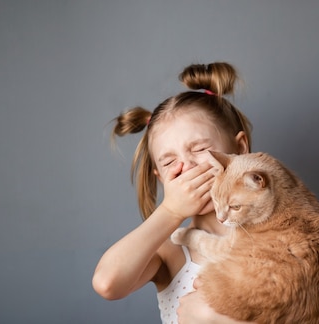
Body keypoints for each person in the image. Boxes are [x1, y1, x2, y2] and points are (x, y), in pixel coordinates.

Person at [92, 62, 255, 324]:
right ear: (161, 179)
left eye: (200, 148)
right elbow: (107, 283)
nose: (186, 167)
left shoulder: (279, 237)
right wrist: (170, 211)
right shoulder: (170, 253)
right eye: (169, 162)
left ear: (240, 148)